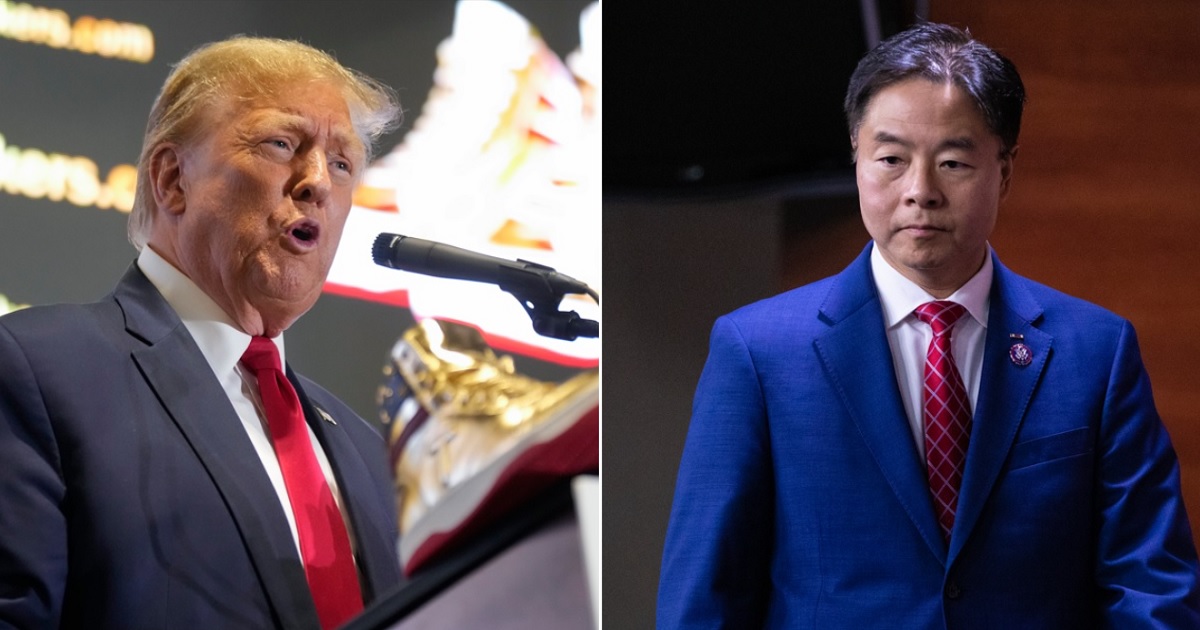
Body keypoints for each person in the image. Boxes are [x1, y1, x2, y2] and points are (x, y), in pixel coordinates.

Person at [657, 22, 1200, 629]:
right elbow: (705, 599)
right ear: (857, 160)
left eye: (953, 162)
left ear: (1005, 171)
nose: (921, 191)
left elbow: (1149, 583)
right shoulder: (756, 352)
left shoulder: (1096, 352)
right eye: (891, 159)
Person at [0, 37, 403, 629]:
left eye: (341, 163)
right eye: (282, 144)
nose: (317, 181)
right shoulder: (37, 371)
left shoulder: (370, 455)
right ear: (171, 179)